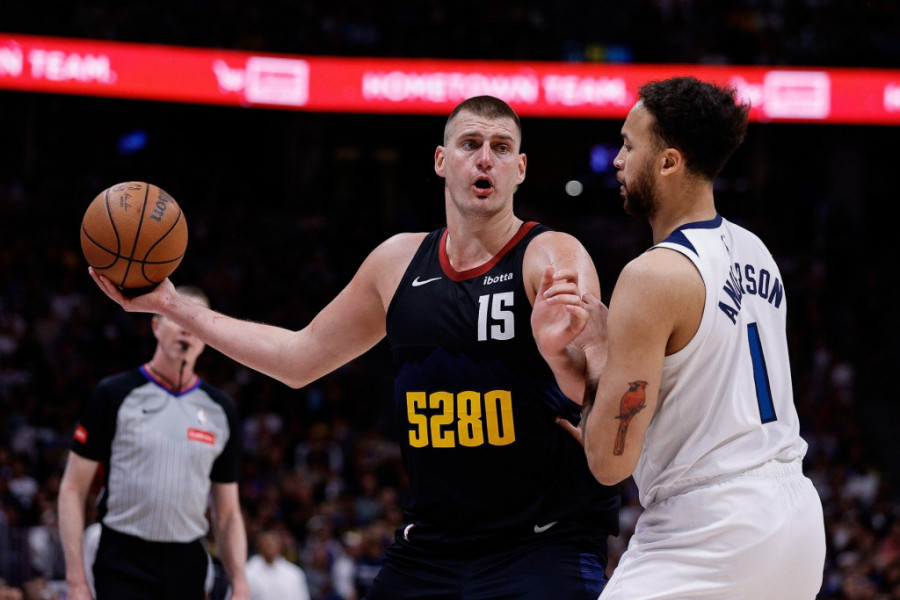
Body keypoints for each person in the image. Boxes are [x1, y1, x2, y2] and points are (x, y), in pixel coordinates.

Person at [88, 95, 621, 598]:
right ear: (441, 161)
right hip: (433, 547)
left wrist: (560, 355)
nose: (485, 159)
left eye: (501, 148)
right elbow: (298, 359)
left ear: (520, 169)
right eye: (470, 144)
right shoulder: (395, 264)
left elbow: (603, 394)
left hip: (540, 542)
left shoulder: (550, 256)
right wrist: (171, 305)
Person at [546, 77, 827, 598]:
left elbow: (608, 464)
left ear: (668, 162)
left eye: (628, 146)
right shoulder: (758, 250)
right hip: (798, 521)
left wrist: (598, 351)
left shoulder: (652, 275)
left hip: (712, 526)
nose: (617, 161)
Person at [57, 285, 250, 600]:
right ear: (156, 325)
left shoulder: (221, 410)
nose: (186, 329)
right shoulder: (114, 394)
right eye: (177, 318)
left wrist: (240, 581)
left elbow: (227, 513)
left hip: (187, 560)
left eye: (196, 321)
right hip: (123, 556)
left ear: (208, 337)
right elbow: (72, 490)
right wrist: (75, 579)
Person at [245, 529, 311, 600]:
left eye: (273, 542)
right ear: (258, 545)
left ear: (280, 545)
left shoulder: (294, 573)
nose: (270, 546)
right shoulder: (248, 572)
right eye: (266, 543)